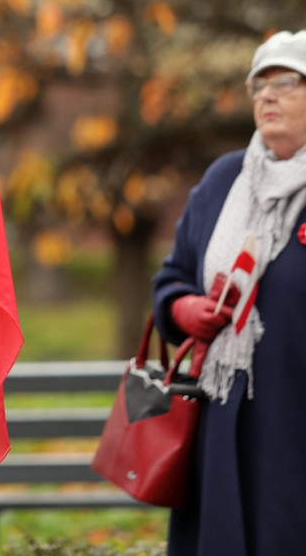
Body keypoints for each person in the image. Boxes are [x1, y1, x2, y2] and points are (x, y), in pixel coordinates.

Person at [152, 30, 306, 555]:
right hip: (221, 416)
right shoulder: (223, 180)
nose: (267, 95)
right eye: (258, 85)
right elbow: (173, 274)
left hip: (295, 419)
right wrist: (181, 307)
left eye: (286, 81)